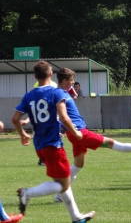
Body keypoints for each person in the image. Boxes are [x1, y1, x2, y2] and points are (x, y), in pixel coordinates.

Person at [53, 67, 131, 202]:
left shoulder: (63, 93)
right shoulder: (60, 94)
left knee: (78, 165)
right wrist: (63, 129)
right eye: (72, 80)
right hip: (79, 133)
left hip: (77, 133)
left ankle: (60, 194)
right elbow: (58, 116)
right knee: (110, 143)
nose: (73, 83)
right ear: (64, 80)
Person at [11, 61, 95, 223]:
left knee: (61, 180)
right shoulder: (56, 92)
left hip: (39, 146)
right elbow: (64, 117)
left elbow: (15, 118)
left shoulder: (29, 95)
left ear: (35, 76)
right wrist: (76, 132)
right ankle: (27, 193)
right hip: (53, 145)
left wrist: (22, 134)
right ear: (51, 74)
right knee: (63, 185)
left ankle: (76, 217)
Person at [21, 80, 58, 166]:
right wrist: (26, 120)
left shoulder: (51, 97)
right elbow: (34, 111)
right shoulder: (39, 99)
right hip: (42, 124)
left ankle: (45, 159)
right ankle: (43, 160)